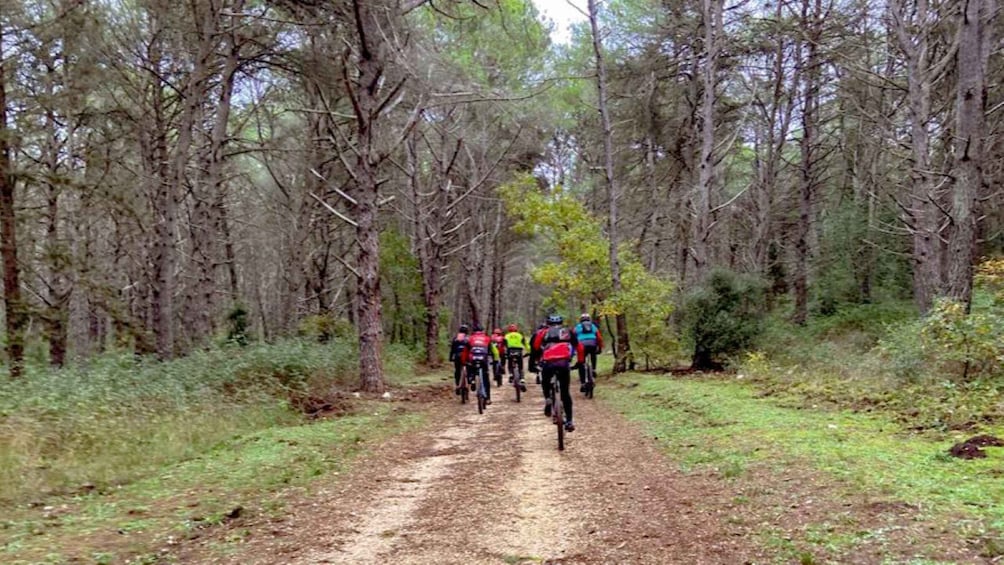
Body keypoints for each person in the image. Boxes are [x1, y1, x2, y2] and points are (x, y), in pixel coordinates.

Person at [532, 314, 583, 432]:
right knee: (565, 393)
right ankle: (569, 421)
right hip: (563, 363)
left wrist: (536, 362)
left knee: (545, 382)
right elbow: (579, 347)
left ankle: (548, 399)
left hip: (548, 363)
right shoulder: (568, 331)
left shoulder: (543, 332)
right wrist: (580, 362)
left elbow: (535, 347)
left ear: (548, 323)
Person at [464, 324, 497, 405]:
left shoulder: (470, 339)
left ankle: (471, 380)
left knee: (470, 368)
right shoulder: (487, 338)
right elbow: (493, 351)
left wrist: (464, 360)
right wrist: (495, 359)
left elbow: (465, 351)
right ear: (482, 331)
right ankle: (488, 398)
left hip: (473, 359)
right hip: (483, 359)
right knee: (485, 378)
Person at [574, 313, 604, 392]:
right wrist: (600, 347)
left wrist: (574, 349)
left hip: (581, 345)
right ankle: (593, 369)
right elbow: (599, 338)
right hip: (593, 344)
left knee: (581, 363)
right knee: (593, 354)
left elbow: (573, 338)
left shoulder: (577, 327)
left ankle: (583, 383)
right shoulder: (593, 326)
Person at [503, 323, 529, 390]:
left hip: (510, 350)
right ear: (516, 329)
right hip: (519, 350)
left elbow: (504, 345)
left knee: (509, 362)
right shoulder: (520, 335)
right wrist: (529, 351)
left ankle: (511, 374)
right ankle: (522, 379)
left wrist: (504, 353)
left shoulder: (506, 336)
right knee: (520, 366)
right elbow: (526, 344)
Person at [449, 324, 470, 395]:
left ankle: (458, 385)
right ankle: (470, 381)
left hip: (457, 357)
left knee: (457, 371)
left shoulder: (455, 338)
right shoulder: (468, 338)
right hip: (466, 357)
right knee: (469, 369)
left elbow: (452, 349)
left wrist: (450, 357)